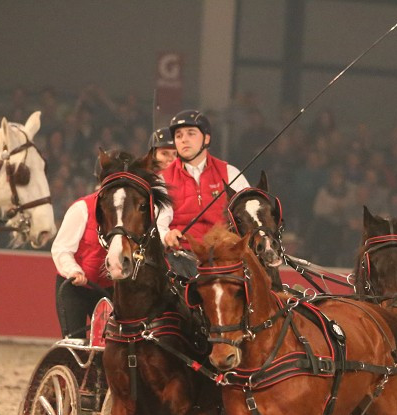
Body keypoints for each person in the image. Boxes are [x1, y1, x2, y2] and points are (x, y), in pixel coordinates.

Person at [50, 156, 172, 337]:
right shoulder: (82, 208)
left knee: (111, 340)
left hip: (109, 288)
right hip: (76, 287)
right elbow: (61, 249)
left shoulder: (133, 210)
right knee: (74, 340)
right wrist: (74, 271)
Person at [160, 110, 249, 252]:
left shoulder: (230, 173)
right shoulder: (162, 179)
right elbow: (158, 224)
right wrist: (166, 236)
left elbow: (249, 217)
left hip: (224, 256)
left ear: (206, 139)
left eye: (191, 133)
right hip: (181, 256)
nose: (184, 139)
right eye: (178, 135)